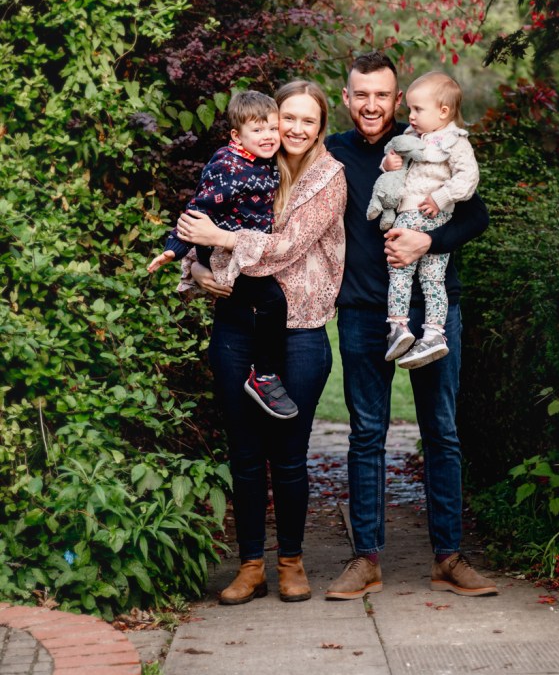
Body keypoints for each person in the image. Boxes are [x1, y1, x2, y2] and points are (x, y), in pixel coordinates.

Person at [325, 51, 498, 600]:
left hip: (432, 312)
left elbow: (476, 213)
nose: (371, 105)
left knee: (442, 433)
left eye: (383, 95)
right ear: (347, 98)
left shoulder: (433, 140)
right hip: (361, 312)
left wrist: (430, 239)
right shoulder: (331, 155)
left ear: (398, 100)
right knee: (366, 436)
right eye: (361, 94)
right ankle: (366, 558)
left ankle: (449, 556)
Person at [175, 80, 347, 605]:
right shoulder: (246, 164)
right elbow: (203, 224)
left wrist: (220, 241)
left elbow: (285, 248)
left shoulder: (328, 178)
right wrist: (197, 267)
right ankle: (250, 565)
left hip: (297, 331)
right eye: (285, 118)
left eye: (306, 121)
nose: (293, 129)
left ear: (320, 127)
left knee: (289, 456)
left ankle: (291, 562)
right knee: (245, 456)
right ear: (268, 122)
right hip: (235, 324)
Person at [147, 90, 297, 420]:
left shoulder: (264, 160)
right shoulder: (227, 167)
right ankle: (264, 376)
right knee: (273, 301)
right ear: (236, 135)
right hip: (222, 253)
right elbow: (197, 211)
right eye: (257, 130)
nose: (269, 136)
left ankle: (260, 370)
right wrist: (174, 251)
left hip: (241, 250)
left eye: (273, 128)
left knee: (252, 304)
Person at [377, 71, 479, 370]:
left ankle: (402, 326)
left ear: (443, 111)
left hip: (428, 216)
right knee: (428, 278)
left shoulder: (455, 142)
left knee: (400, 270)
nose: (411, 116)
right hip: (415, 214)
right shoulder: (410, 138)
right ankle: (429, 334)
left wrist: (442, 197)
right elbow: (395, 169)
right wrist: (387, 164)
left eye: (418, 109)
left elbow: (469, 178)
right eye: (410, 109)